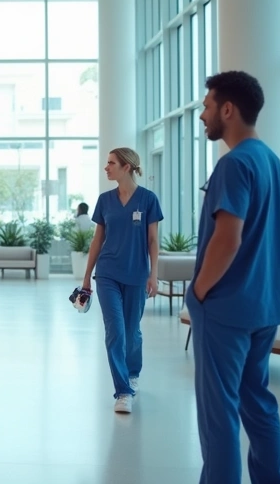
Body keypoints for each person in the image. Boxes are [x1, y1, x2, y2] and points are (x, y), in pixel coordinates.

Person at [187, 71, 280, 484]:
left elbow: (228, 239)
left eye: (207, 106)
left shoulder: (233, 165)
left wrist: (198, 291)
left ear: (227, 109)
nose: (202, 116)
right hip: (264, 306)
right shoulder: (271, 162)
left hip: (227, 307)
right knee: (258, 403)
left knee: (219, 414)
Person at [81, 147, 162, 414]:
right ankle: (123, 391)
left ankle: (132, 371)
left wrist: (154, 274)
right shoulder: (104, 200)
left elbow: (152, 240)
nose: (106, 167)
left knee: (131, 331)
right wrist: (86, 278)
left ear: (126, 167)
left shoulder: (148, 200)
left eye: (111, 163)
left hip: (137, 274)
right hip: (107, 273)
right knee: (115, 331)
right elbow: (97, 240)